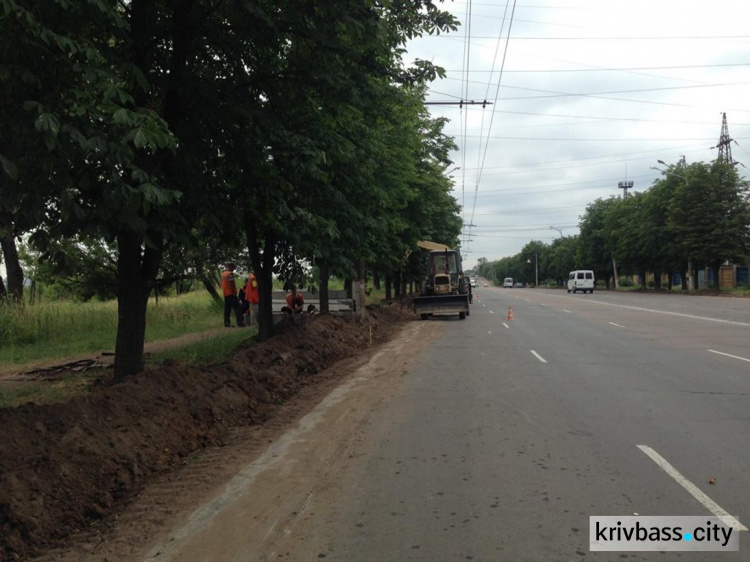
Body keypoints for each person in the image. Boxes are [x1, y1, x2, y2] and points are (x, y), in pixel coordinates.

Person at [221, 263, 244, 327]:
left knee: (227, 309)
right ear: (230, 266)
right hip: (231, 293)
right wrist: (234, 292)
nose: (233, 269)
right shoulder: (230, 274)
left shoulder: (223, 274)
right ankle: (240, 323)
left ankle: (227, 323)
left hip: (225, 294)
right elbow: (231, 284)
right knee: (237, 308)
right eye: (233, 268)